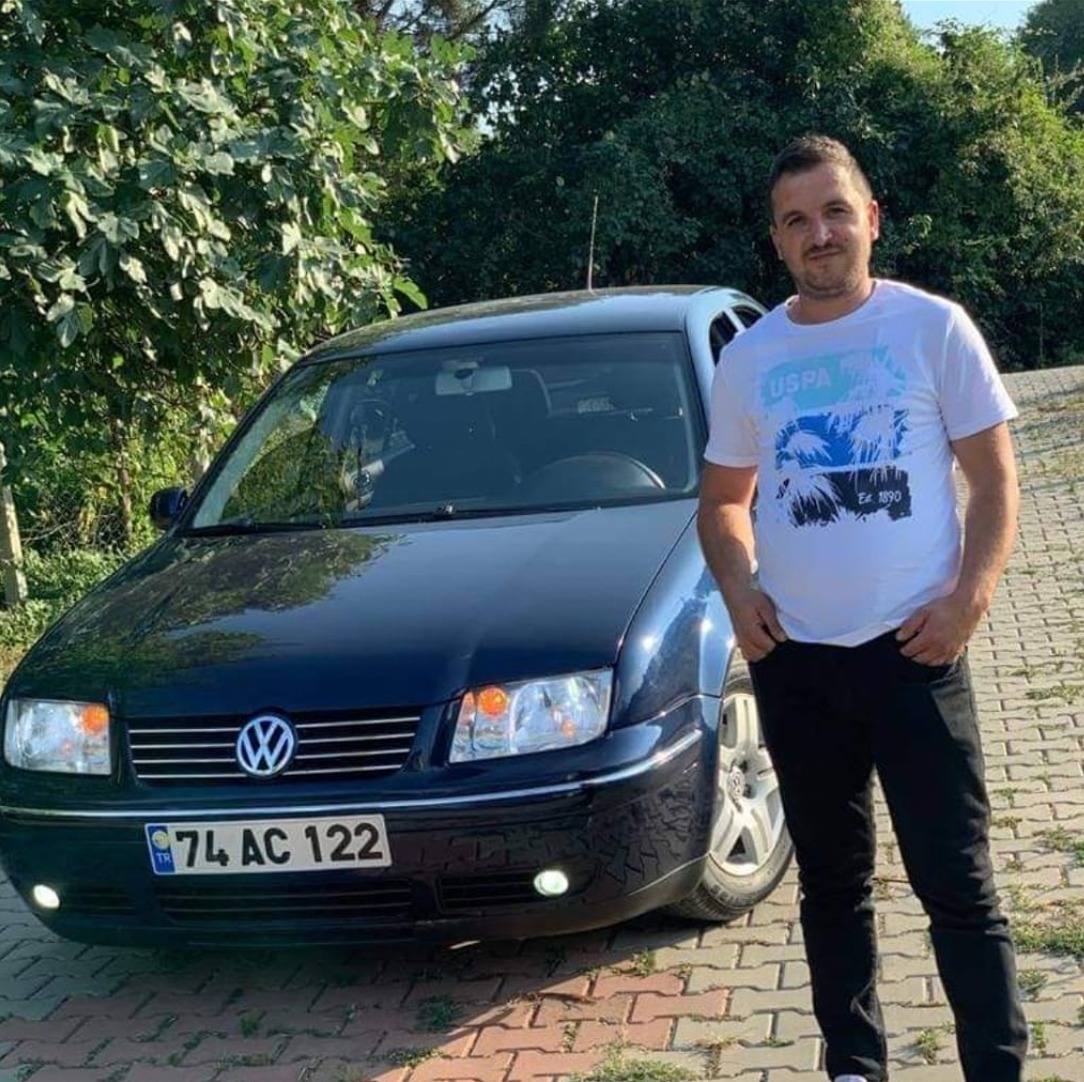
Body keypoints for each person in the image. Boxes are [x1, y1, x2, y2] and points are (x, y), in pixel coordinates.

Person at [697, 134, 1028, 1082]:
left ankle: (996, 1067)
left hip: (916, 654)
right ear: (777, 240)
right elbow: (722, 500)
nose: (821, 235)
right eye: (797, 221)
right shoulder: (750, 358)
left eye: (836, 212)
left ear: (872, 219)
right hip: (797, 664)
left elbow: (995, 482)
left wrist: (969, 601)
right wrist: (740, 589)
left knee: (958, 887)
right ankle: (855, 1066)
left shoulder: (933, 329)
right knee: (832, 888)